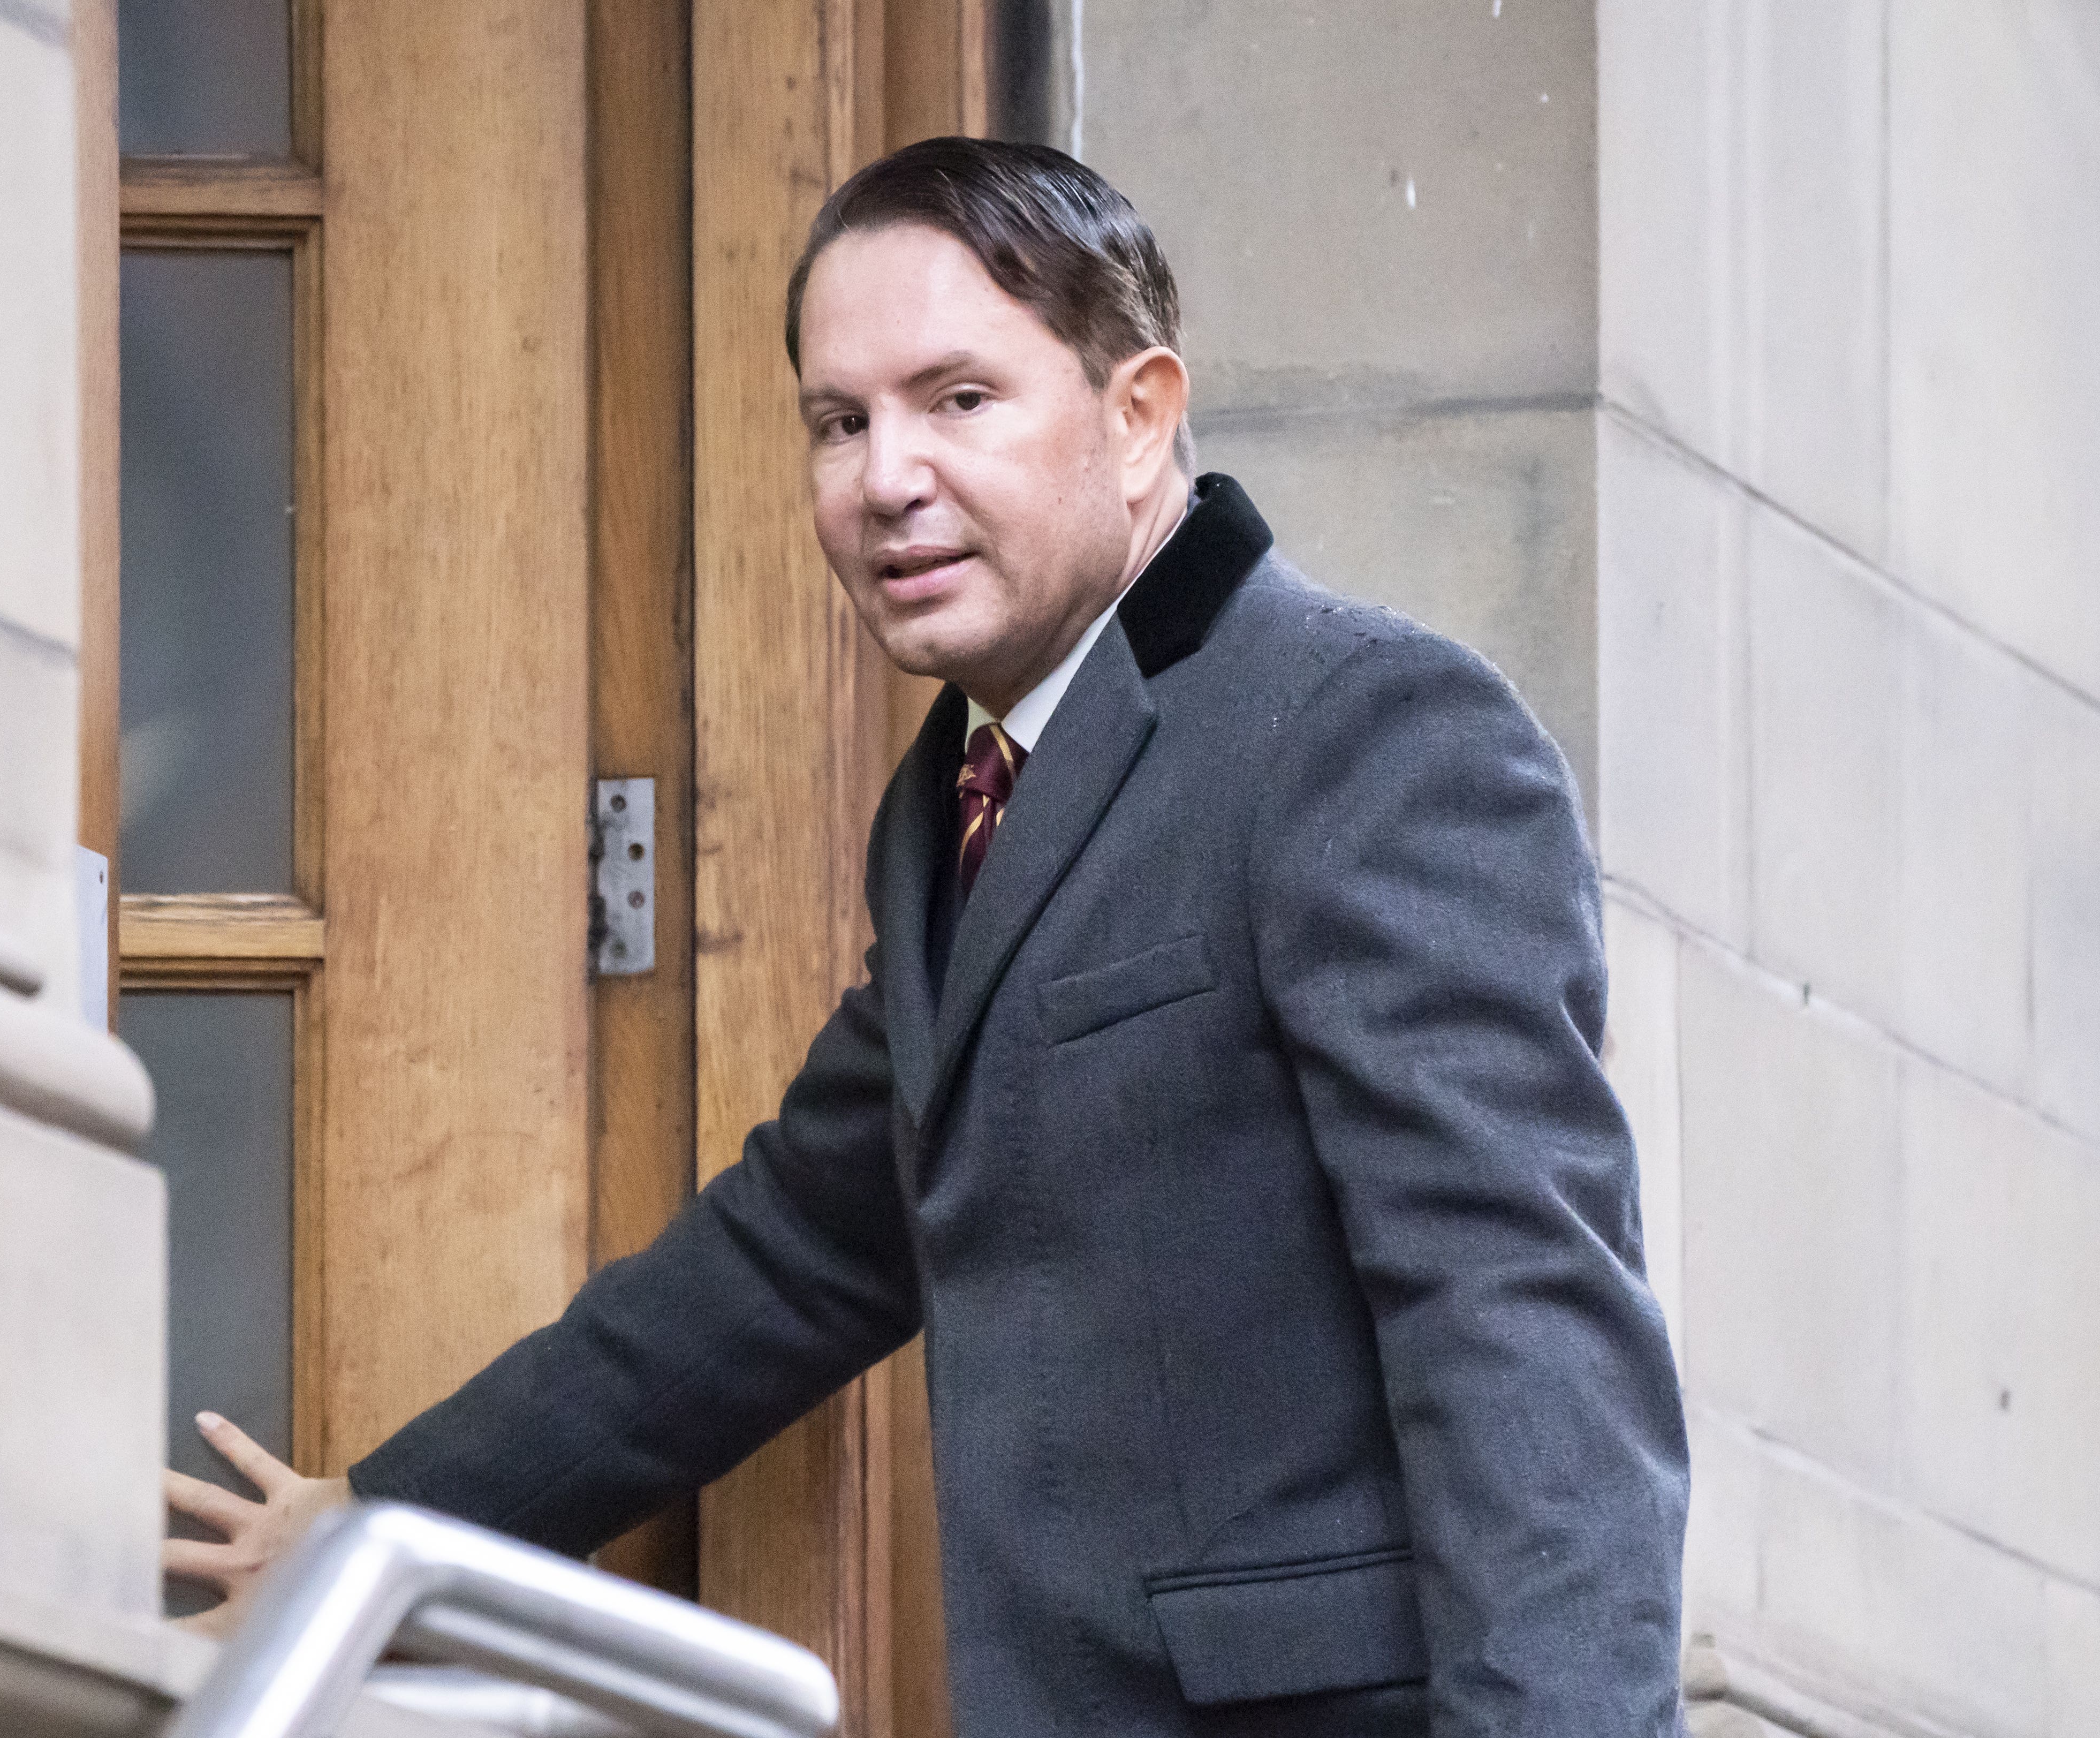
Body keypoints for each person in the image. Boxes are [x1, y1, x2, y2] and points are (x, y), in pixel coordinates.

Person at [165, 137, 1689, 1736]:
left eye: (959, 400)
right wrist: (388, 1530)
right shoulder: (967, 797)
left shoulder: (1369, 734)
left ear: (1139, 416)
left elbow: (1526, 1334)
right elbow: (796, 1247)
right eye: (840, 421)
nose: (885, 475)